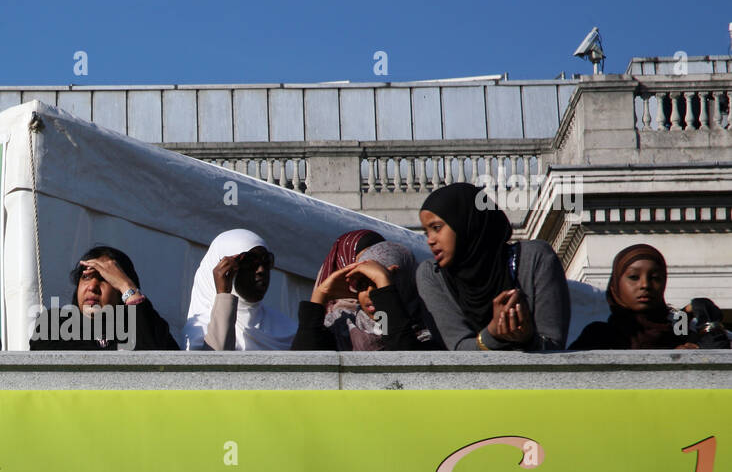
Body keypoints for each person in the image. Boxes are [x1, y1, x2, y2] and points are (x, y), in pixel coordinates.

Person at [415, 182, 570, 351]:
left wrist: (527, 338)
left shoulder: (535, 259)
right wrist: (493, 334)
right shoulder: (432, 275)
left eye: (436, 228)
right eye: (426, 232)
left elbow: (554, 346)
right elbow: (457, 350)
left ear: (468, 221)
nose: (430, 239)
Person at [570, 244, 730, 350]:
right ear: (615, 286)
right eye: (633, 277)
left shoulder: (680, 330)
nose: (645, 285)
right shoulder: (599, 335)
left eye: (655, 278)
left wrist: (709, 324)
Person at [29, 245, 179, 350]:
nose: (92, 286)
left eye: (104, 279)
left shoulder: (149, 326)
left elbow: (154, 360)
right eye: (86, 277)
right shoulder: (55, 323)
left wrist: (128, 287)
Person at [293, 241, 436, 350]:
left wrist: (384, 286)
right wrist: (320, 295)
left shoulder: (433, 328)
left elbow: (404, 358)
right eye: (361, 285)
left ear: (405, 281)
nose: (370, 293)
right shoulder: (343, 325)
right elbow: (302, 369)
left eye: (379, 285)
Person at [184, 229, 296, 350]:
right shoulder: (199, 330)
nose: (261, 270)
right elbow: (213, 364)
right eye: (250, 261)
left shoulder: (288, 330)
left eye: (266, 261)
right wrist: (224, 295)